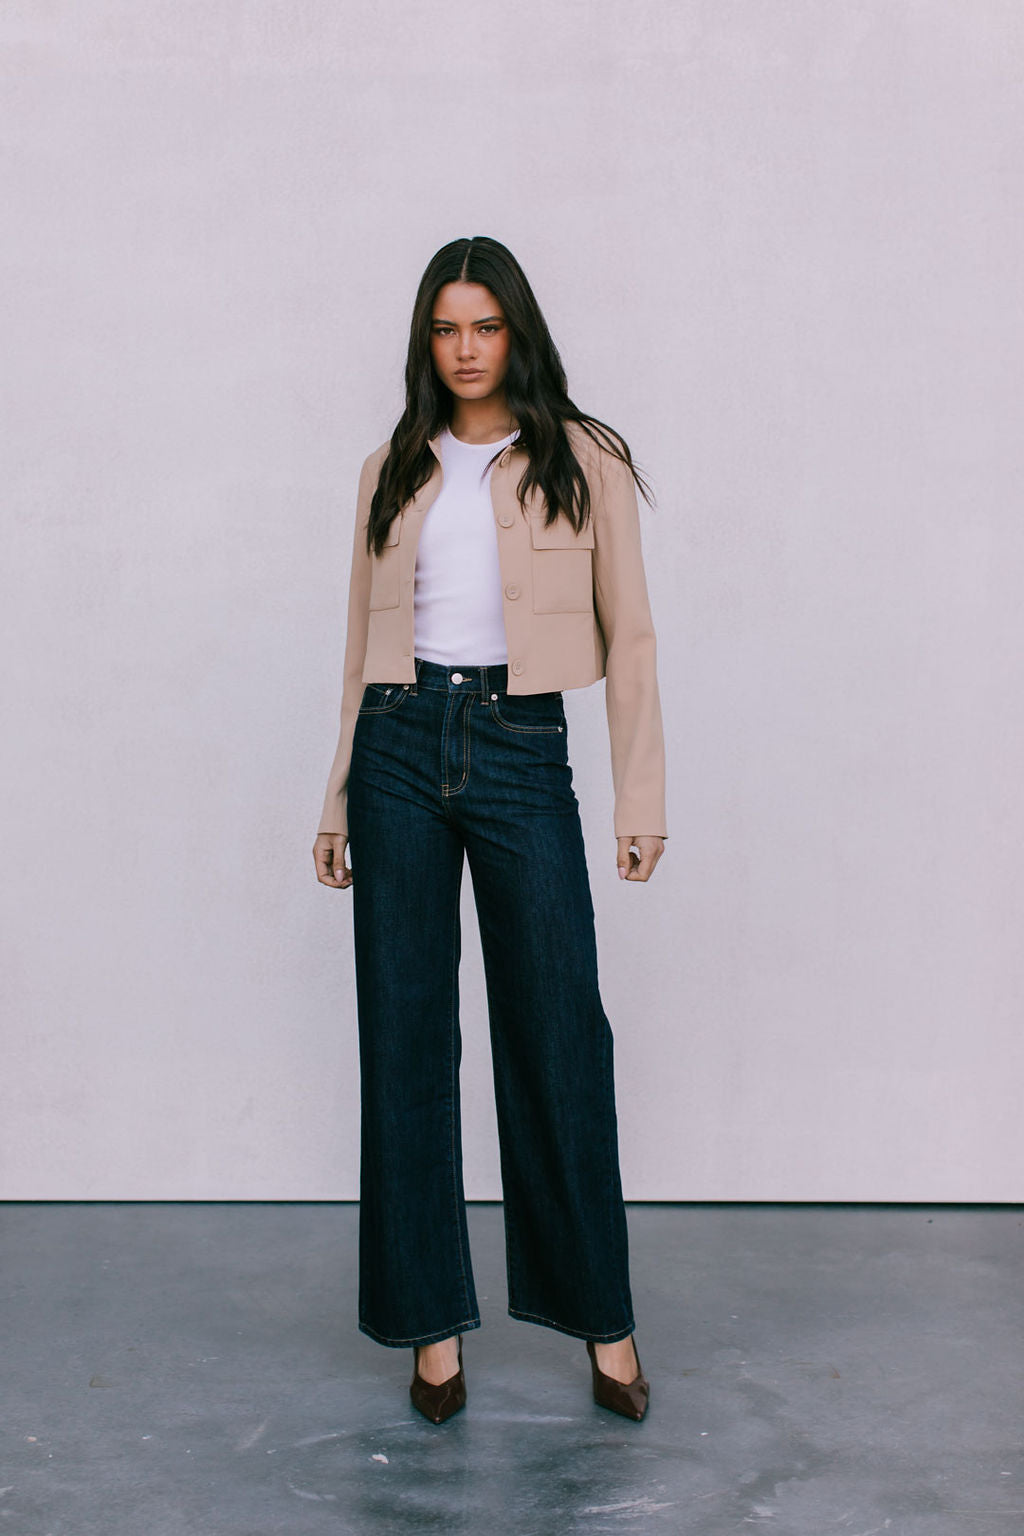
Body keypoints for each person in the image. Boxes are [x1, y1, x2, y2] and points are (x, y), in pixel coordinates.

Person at [312, 235, 667, 1424]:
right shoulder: (390, 467)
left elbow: (634, 638)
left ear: (517, 330)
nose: (464, 350)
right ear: (427, 340)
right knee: (405, 1040)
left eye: (485, 326)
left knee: (558, 1032)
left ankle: (601, 1320)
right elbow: (359, 654)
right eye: (444, 329)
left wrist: (639, 797)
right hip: (400, 748)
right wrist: (337, 799)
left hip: (522, 746)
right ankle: (429, 1332)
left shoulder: (583, 459)